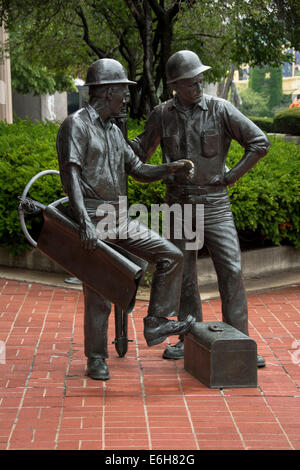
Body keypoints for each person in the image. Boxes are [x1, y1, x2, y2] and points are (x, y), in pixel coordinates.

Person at [56, 58, 195, 380]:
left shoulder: (114, 132)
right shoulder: (76, 125)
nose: (127, 97)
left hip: (118, 216)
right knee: (100, 291)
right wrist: (84, 222)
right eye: (123, 91)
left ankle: (157, 321)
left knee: (171, 255)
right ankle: (96, 357)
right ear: (107, 92)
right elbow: (70, 176)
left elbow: (139, 170)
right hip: (92, 215)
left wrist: (170, 168)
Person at [130, 50, 270, 367]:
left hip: (215, 203)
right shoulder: (162, 114)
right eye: (192, 81)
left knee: (231, 270)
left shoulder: (220, 109)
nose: (199, 84)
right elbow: (139, 151)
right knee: (185, 275)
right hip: (179, 203)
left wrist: (231, 176)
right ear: (176, 85)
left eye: (200, 78)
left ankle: (238, 341)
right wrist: (112, 139)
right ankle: (188, 337)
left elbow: (259, 142)